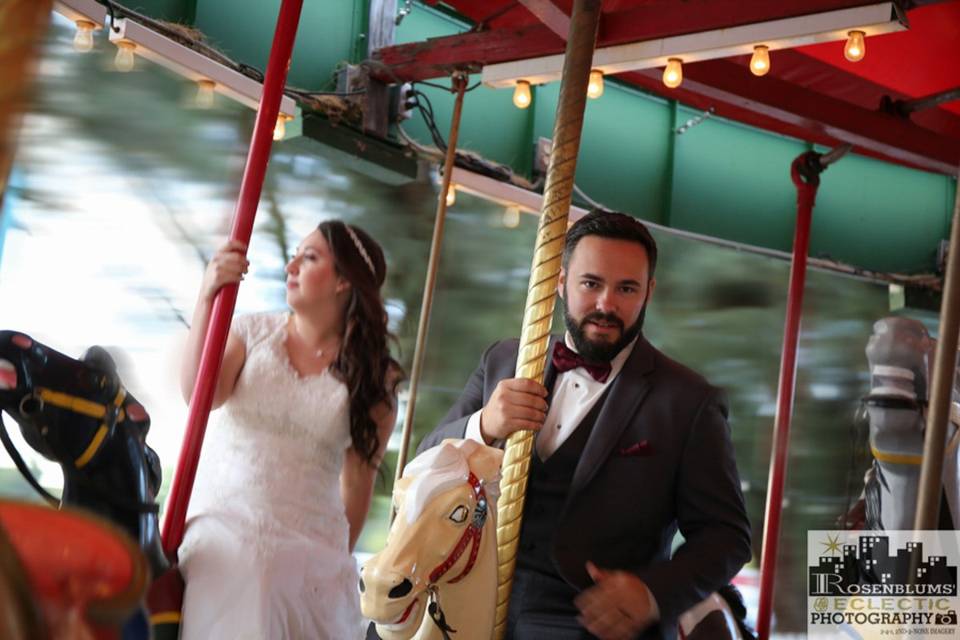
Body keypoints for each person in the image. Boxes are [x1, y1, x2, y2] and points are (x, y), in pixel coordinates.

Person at [418, 211, 752, 640]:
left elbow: (727, 537)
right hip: (470, 597)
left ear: (648, 292)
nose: (606, 305)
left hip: (584, 620)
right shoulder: (504, 359)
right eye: (591, 283)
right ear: (560, 282)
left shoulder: (689, 402)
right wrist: (483, 425)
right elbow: (424, 465)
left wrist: (650, 592)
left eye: (626, 288)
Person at [178, 220, 401, 639]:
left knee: (291, 576)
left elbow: (357, 483)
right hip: (226, 515)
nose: (290, 266)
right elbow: (199, 395)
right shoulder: (250, 334)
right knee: (256, 568)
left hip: (313, 536)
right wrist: (207, 297)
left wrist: (334, 560)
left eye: (310, 257)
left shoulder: (374, 378)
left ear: (342, 282)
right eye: (295, 254)